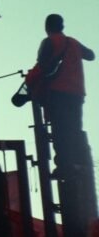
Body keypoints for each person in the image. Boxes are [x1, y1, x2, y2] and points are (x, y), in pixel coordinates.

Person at [28, 14, 95, 170]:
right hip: (77, 93)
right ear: (62, 27)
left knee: (60, 129)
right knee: (74, 128)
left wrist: (29, 80)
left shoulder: (49, 42)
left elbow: (42, 67)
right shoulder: (73, 43)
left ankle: (65, 165)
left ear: (47, 28)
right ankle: (79, 161)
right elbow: (91, 55)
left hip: (58, 92)